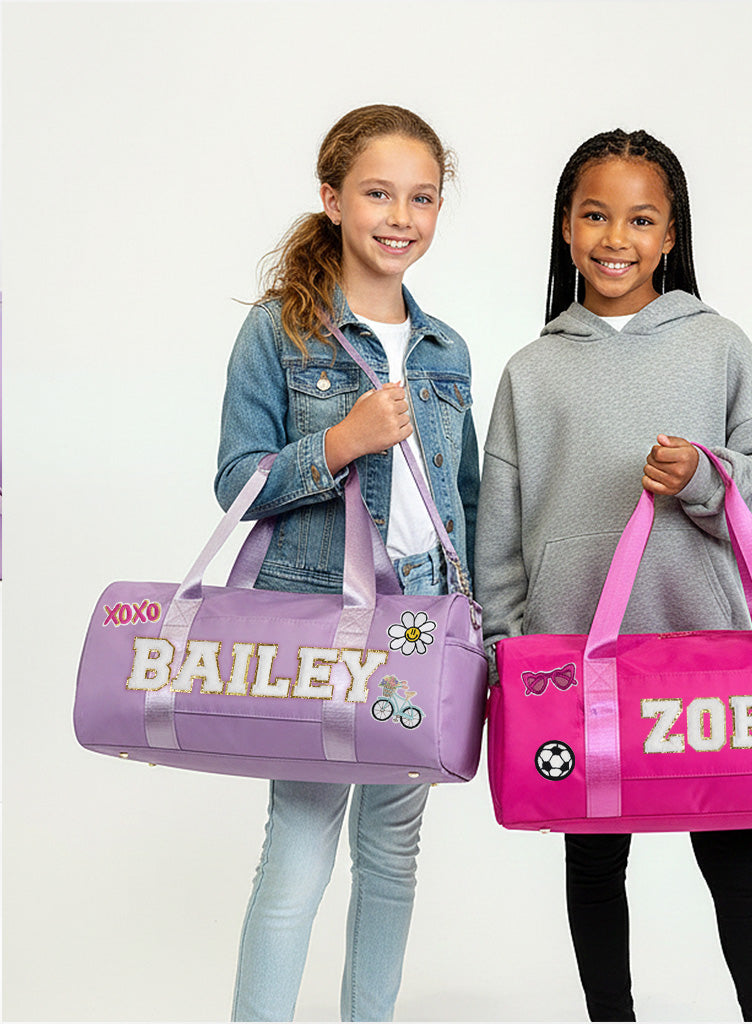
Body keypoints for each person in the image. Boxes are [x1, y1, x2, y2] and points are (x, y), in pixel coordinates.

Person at [475, 128, 752, 1022]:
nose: (615, 237)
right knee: (593, 861)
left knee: (735, 854)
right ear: (565, 227)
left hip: (706, 662)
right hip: (577, 665)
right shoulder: (531, 371)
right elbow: (499, 536)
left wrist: (707, 478)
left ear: (671, 236)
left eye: (639, 219)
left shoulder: (717, 346)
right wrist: (512, 652)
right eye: (595, 215)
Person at [215, 104, 478, 1023]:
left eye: (422, 197)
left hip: (422, 622)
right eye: (377, 193)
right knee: (298, 842)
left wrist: (476, 618)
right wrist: (338, 444)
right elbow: (238, 484)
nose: (400, 216)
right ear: (331, 199)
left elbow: (466, 503)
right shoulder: (280, 334)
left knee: (394, 853)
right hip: (318, 619)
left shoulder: (447, 350)